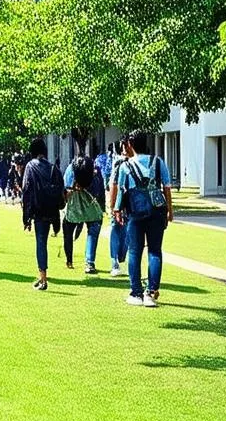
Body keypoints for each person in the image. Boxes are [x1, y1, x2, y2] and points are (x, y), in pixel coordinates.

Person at [113, 130, 173, 307]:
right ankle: (151, 292)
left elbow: (122, 191)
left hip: (135, 213)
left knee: (135, 251)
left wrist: (117, 209)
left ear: (130, 145)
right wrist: (170, 210)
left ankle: (136, 293)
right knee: (155, 251)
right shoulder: (158, 161)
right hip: (157, 211)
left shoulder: (125, 166)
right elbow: (167, 187)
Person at [21, 137, 65, 290]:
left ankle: (43, 278)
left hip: (38, 210)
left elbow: (26, 191)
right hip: (52, 210)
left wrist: (25, 217)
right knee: (43, 242)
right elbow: (61, 190)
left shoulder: (30, 167)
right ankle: (42, 276)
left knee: (41, 243)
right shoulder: (53, 168)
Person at [63, 155, 106, 274]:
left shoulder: (70, 169)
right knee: (94, 229)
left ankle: (69, 261)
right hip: (92, 208)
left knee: (67, 231)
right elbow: (100, 191)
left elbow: (65, 191)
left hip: (74, 209)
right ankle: (89, 262)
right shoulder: (95, 171)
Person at [107, 139, 131, 277]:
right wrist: (113, 205)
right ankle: (115, 262)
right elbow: (114, 185)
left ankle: (120, 259)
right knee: (118, 230)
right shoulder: (119, 162)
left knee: (124, 232)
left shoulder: (130, 162)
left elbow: (114, 185)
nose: (123, 151)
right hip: (123, 204)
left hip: (128, 204)